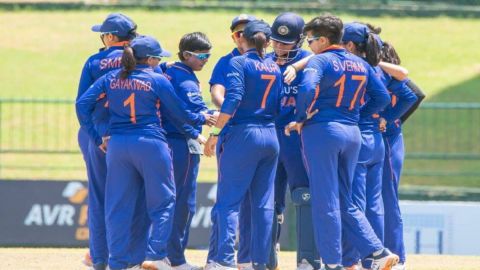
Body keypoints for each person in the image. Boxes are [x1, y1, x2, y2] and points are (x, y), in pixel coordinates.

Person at [76, 35, 212, 270]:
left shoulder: (111, 78)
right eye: (158, 58)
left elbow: (82, 104)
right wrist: (203, 118)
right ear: (149, 59)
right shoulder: (157, 79)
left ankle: (116, 263)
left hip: (117, 146)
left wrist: (97, 137)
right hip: (150, 143)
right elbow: (178, 113)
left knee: (117, 205)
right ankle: (155, 256)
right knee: (165, 201)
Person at [284, 15, 397, 270]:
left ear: (323, 40)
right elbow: (381, 98)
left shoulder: (320, 60)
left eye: (311, 40)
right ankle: (377, 251)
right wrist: (356, 115)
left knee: (325, 200)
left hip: (323, 132)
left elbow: (307, 88)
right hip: (352, 133)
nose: (309, 45)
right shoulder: (360, 63)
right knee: (345, 199)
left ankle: (333, 263)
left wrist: (301, 117)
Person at [204, 20, 282, 270]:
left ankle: (224, 260)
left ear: (242, 39)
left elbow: (233, 98)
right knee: (263, 204)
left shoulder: (238, 62)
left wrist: (216, 131)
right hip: (270, 136)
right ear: (267, 42)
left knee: (228, 202)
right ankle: (258, 262)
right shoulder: (275, 67)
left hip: (243, 134)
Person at [339, 22, 417, 270]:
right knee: (375, 202)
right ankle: (375, 258)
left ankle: (381, 256)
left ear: (350, 45)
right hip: (375, 138)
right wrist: (383, 116)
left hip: (371, 136)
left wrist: (382, 116)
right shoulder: (372, 69)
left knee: (365, 201)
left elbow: (411, 93)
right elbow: (408, 93)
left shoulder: (358, 67)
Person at [76, 13, 143, 270]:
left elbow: (83, 103)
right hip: (135, 134)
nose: (101, 39)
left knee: (99, 196)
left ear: (111, 37)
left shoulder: (94, 61)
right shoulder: (140, 60)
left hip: (99, 132)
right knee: (134, 196)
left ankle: (99, 257)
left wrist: (93, 136)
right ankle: (130, 257)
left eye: (103, 34)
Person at [266, 12, 318, 270]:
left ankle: (307, 257)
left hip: (298, 139)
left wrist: (298, 65)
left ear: (299, 41)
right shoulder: (263, 62)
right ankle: (266, 254)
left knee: (303, 194)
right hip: (269, 136)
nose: (279, 47)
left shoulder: (312, 62)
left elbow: (324, 56)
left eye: (285, 43)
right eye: (275, 41)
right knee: (269, 197)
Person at [162, 32, 216, 270]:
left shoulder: (169, 70)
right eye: (202, 56)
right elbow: (197, 111)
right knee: (183, 203)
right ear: (186, 55)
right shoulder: (184, 78)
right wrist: (214, 117)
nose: (206, 60)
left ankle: (163, 254)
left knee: (169, 201)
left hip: (172, 141)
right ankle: (175, 259)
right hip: (181, 143)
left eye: (209, 55)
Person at [206, 14, 256, 270]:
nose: (242, 36)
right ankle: (220, 257)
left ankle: (245, 259)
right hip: (234, 130)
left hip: (250, 133)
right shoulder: (226, 62)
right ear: (233, 36)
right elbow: (217, 92)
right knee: (230, 198)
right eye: (238, 33)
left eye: (247, 31)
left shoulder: (265, 61)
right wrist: (228, 110)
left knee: (251, 201)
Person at [380, 41, 421, 270]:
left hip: (389, 139)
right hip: (380, 137)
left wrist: (394, 119)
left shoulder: (391, 77)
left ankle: (398, 257)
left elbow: (417, 94)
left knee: (388, 198)